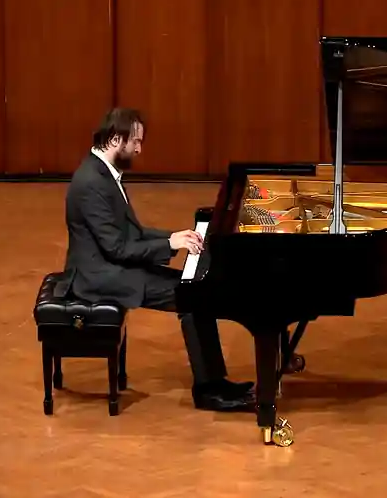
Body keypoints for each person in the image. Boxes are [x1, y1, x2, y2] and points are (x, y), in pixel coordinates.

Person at [55, 107, 255, 412]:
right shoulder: (91, 183)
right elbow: (117, 249)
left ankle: (215, 383)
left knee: (195, 291)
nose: (138, 149)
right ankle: (208, 391)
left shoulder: (102, 172)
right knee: (192, 296)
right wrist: (169, 243)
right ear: (115, 139)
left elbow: (131, 232)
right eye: (135, 142)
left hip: (111, 265)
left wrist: (173, 237)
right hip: (100, 277)